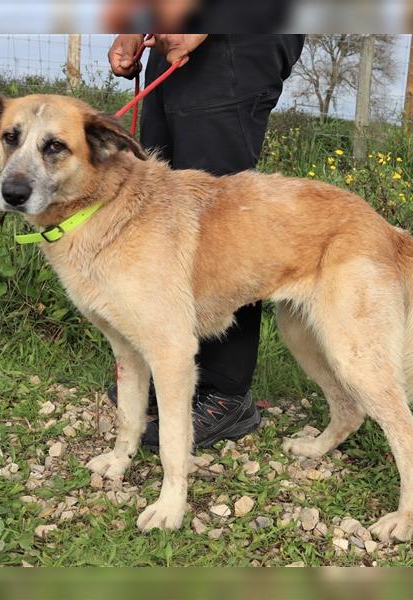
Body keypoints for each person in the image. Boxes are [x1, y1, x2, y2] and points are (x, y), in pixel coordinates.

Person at [107, 34, 305, 450]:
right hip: (172, 40)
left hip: (234, 37)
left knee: (222, 226)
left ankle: (225, 392)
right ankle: (169, 374)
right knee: (158, 210)